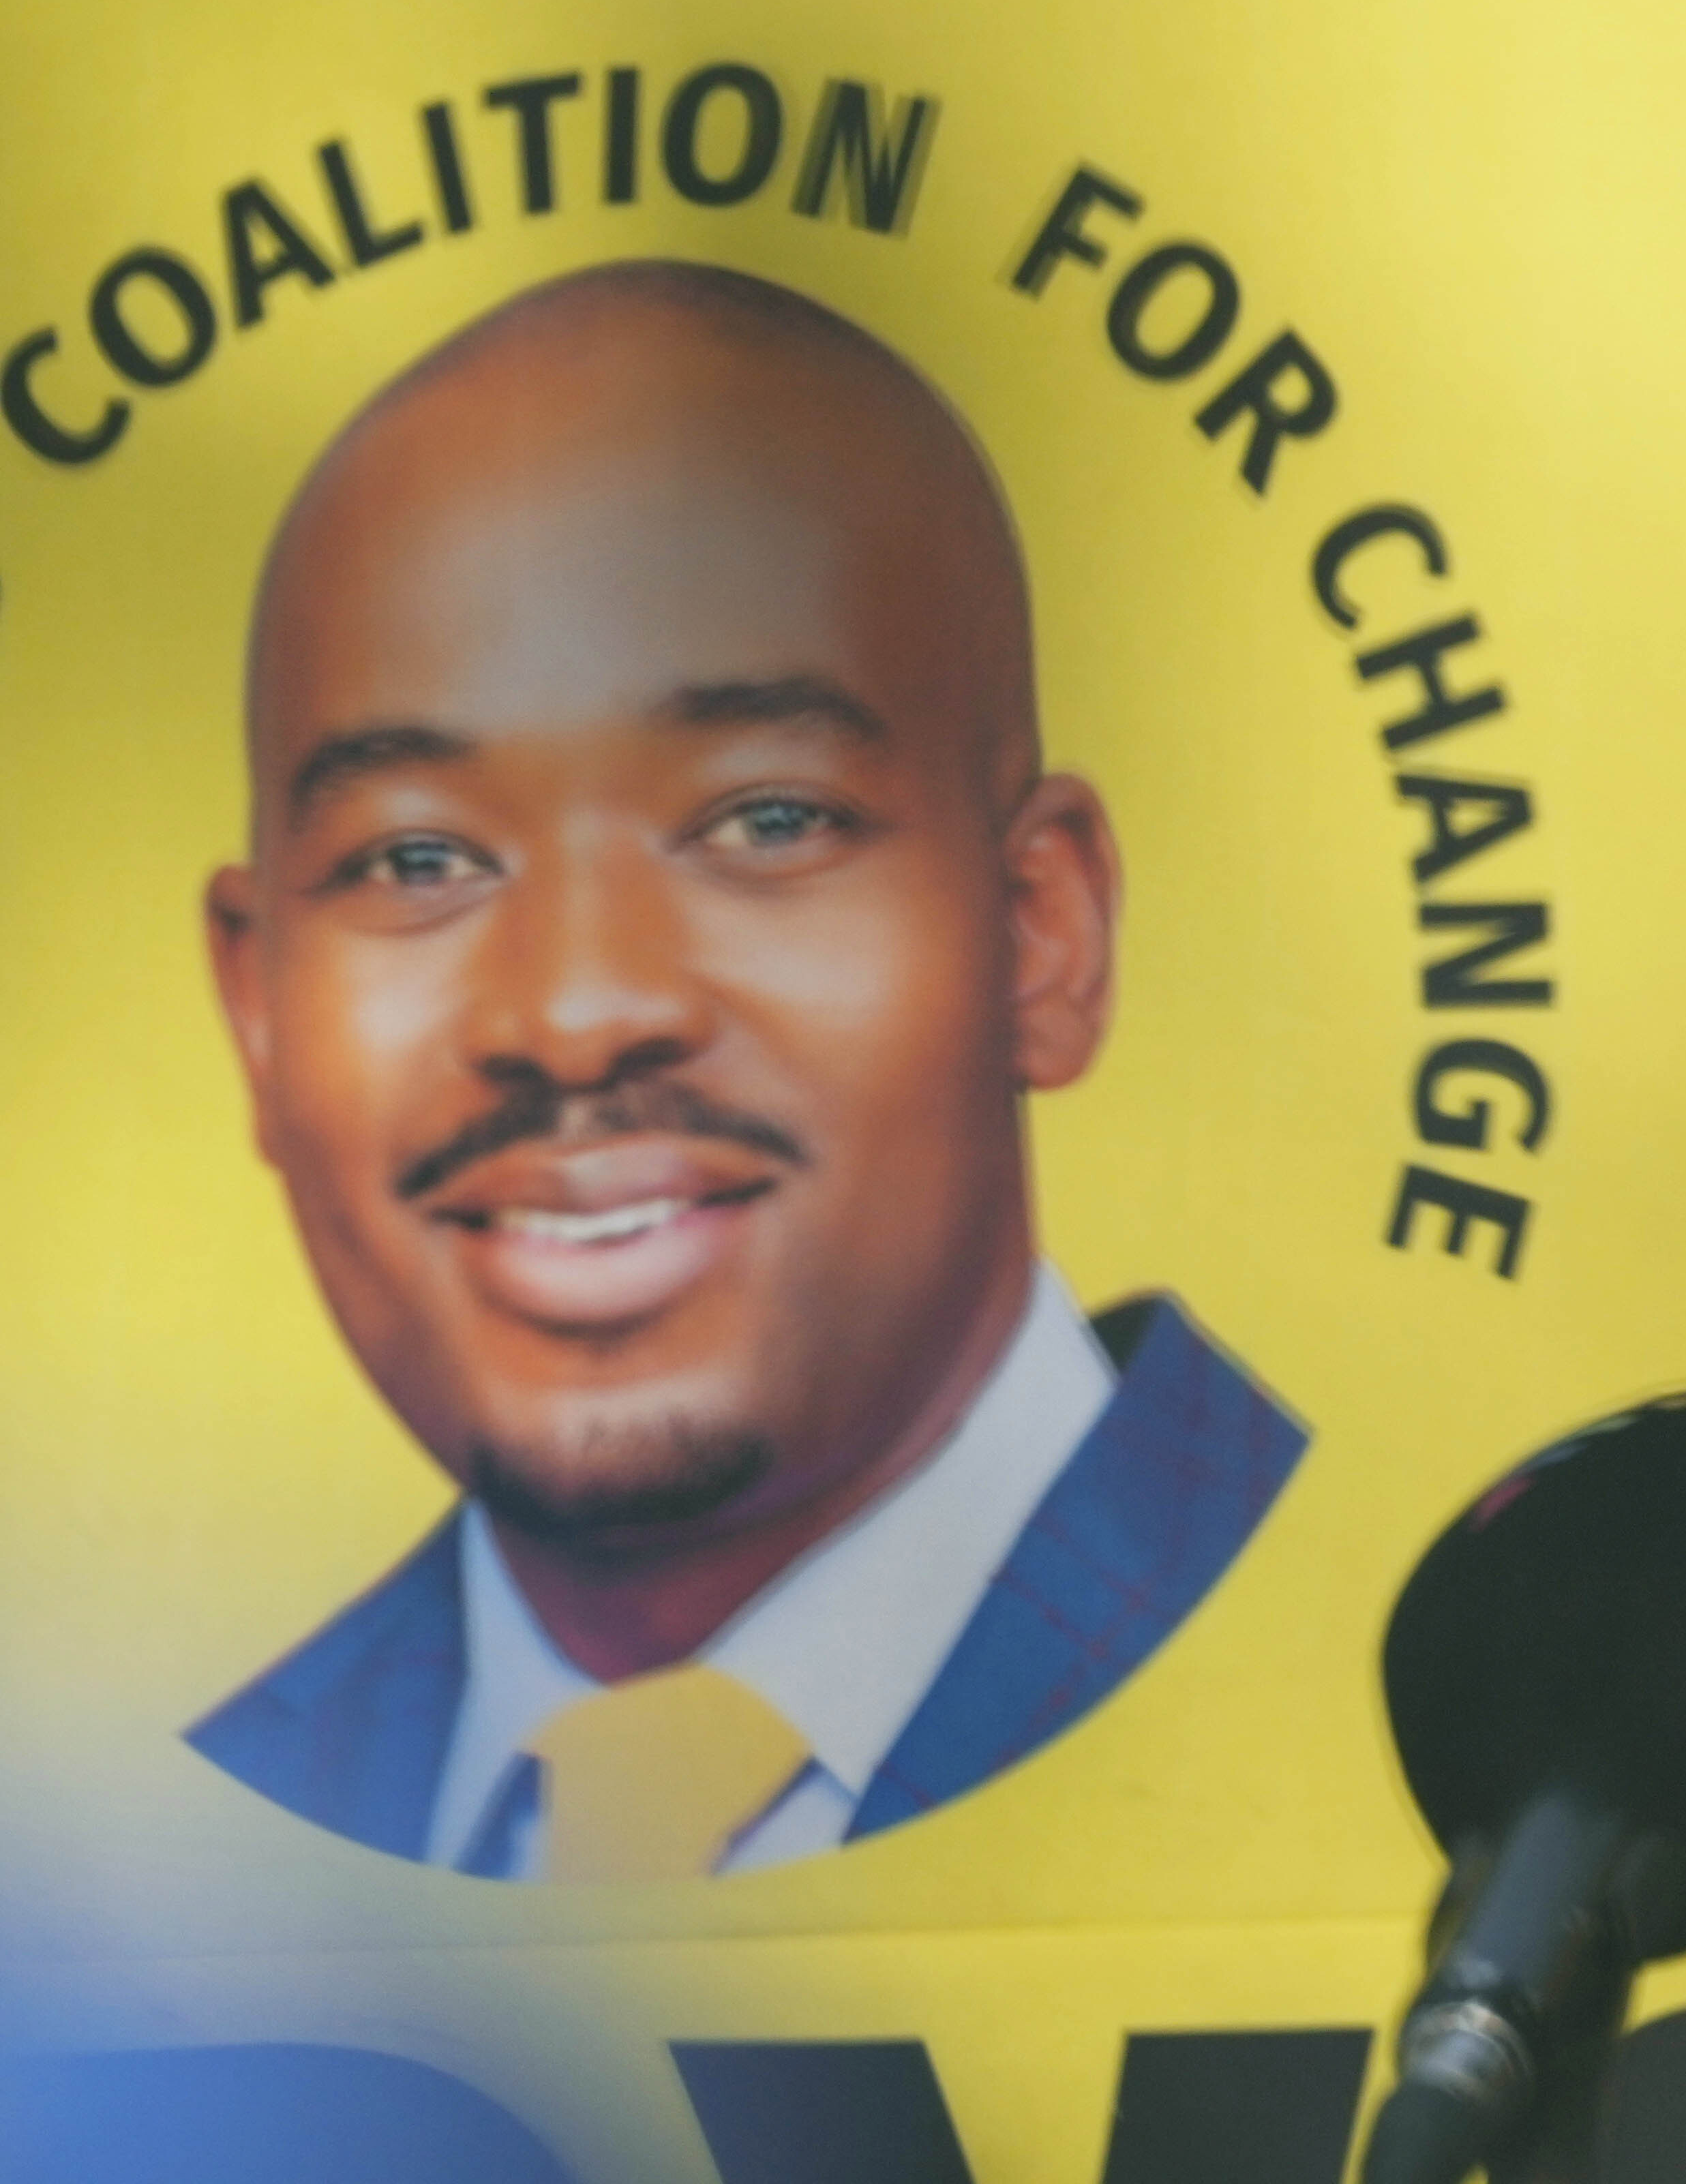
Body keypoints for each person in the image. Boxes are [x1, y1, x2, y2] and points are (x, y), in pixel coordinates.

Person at [187, 261, 1298, 1877]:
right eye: (417, 858)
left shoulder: (1427, 1685)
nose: (571, 1014)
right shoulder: (158, 1873)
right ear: (262, 1014)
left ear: (1040, 935)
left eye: (766, 821)